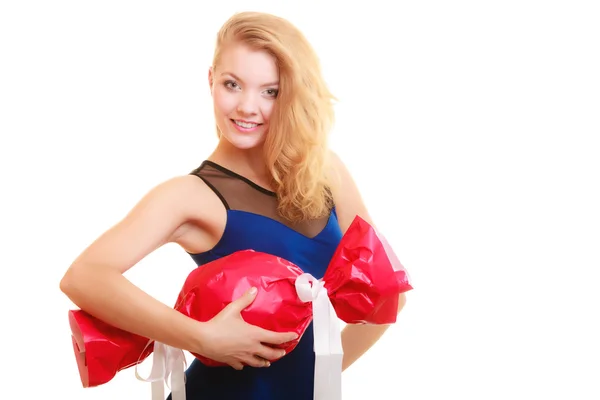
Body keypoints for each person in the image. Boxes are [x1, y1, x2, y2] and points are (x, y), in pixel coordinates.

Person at [60, 10, 407, 400]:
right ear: (211, 81)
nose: (246, 106)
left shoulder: (324, 170)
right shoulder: (189, 195)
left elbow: (387, 294)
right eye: (232, 84)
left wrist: (320, 375)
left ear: (291, 94)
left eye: (270, 91)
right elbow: (84, 275)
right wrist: (202, 338)